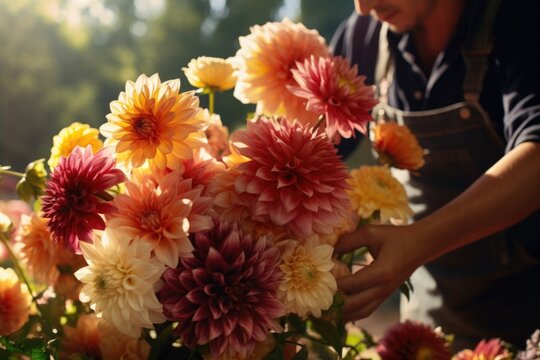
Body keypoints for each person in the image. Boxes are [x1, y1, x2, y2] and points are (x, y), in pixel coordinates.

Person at [330, 0, 540, 352]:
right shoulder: (365, 36)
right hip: (429, 329)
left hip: (528, 323)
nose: (364, 7)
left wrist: (417, 243)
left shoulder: (520, 18)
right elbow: (317, 147)